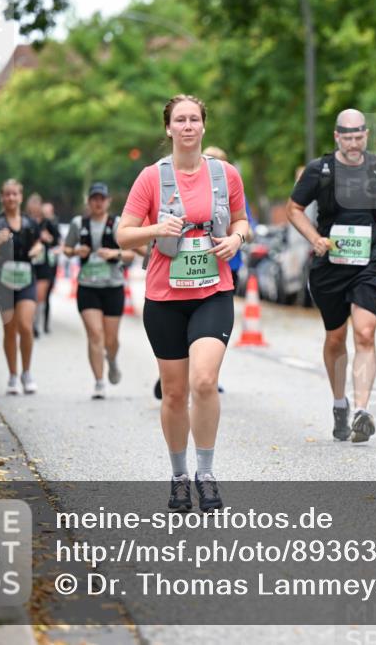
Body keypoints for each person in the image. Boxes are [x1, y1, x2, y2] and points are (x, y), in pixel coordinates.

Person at [116, 94, 249, 513]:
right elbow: (124, 234)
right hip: (165, 296)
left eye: (195, 119)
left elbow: (243, 219)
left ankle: (205, 474)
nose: (188, 126)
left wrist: (236, 238)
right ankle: (178, 477)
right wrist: (157, 227)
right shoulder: (151, 178)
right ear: (169, 128)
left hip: (213, 290)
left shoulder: (225, 174)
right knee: (174, 393)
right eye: (180, 120)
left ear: (204, 126)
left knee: (204, 381)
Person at [286, 109, 376, 443]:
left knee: (365, 332)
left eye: (359, 137)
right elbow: (293, 209)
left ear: (366, 135)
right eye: (348, 137)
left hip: (368, 262)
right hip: (330, 264)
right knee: (335, 338)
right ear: (337, 136)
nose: (354, 143)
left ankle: (360, 411)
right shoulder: (320, 169)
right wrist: (314, 238)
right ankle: (339, 403)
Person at [152, 145, 252, 401]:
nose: (212, 165)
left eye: (218, 161)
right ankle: (179, 372)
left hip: (222, 273)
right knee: (179, 343)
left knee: (207, 341)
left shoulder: (229, 185)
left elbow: (245, 225)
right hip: (173, 283)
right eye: (210, 159)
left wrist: (236, 239)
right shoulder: (171, 184)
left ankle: (204, 375)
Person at [64, 183, 135, 399]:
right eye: (94, 198)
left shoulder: (118, 224)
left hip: (113, 287)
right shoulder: (79, 223)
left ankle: (111, 360)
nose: (97, 202)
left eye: (101, 198)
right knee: (95, 334)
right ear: (88, 201)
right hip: (87, 287)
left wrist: (115, 254)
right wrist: (76, 250)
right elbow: (66, 249)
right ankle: (99, 381)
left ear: (108, 201)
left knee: (111, 340)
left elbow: (131, 254)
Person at [0, 179, 43, 394]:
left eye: (14, 194)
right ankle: (12, 375)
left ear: (21, 196)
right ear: (2, 197)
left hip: (26, 277)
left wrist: (38, 249)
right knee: (10, 328)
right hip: (3, 281)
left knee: (25, 326)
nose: (11, 198)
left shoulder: (30, 223)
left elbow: (38, 243)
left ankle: (27, 373)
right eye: (7, 194)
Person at [25, 193, 60, 337]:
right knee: (29, 296)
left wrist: (48, 238)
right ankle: (28, 321)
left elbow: (57, 241)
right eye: (31, 207)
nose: (34, 210)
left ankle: (36, 325)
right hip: (27, 262)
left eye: (36, 207)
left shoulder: (47, 223)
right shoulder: (24, 222)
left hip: (44, 263)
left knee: (40, 296)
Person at [40, 202, 60, 332]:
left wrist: (50, 239)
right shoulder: (37, 224)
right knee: (39, 295)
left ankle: (45, 324)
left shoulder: (53, 225)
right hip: (39, 264)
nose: (46, 214)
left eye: (48, 211)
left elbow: (58, 241)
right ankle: (36, 324)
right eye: (44, 211)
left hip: (51, 264)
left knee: (47, 295)